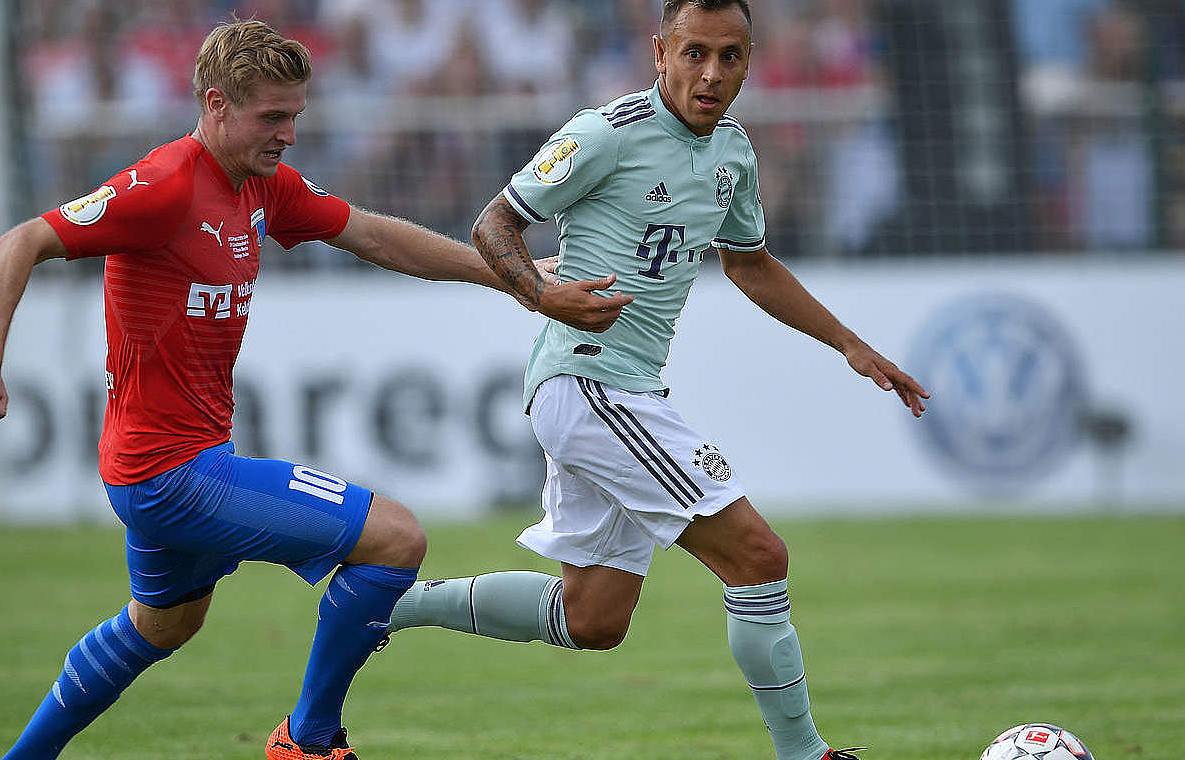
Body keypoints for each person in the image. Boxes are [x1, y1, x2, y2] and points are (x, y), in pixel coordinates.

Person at [0, 18, 624, 760]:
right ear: (216, 105)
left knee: (163, 626)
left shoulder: (263, 185)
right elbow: (22, 240)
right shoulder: (163, 186)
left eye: (296, 115)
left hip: (160, 466)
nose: (289, 134)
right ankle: (308, 741)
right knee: (396, 540)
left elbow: (371, 234)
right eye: (273, 117)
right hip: (171, 474)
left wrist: (514, 278)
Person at [386, 3, 930, 760]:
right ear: (660, 52)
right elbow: (493, 225)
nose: (712, 74)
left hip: (622, 391)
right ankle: (806, 754)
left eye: (731, 57)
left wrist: (848, 343)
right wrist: (544, 296)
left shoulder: (733, 153)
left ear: (749, 59)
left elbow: (749, 263)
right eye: (696, 53)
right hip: (586, 384)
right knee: (758, 557)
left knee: (594, 619)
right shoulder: (605, 131)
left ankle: (391, 605)